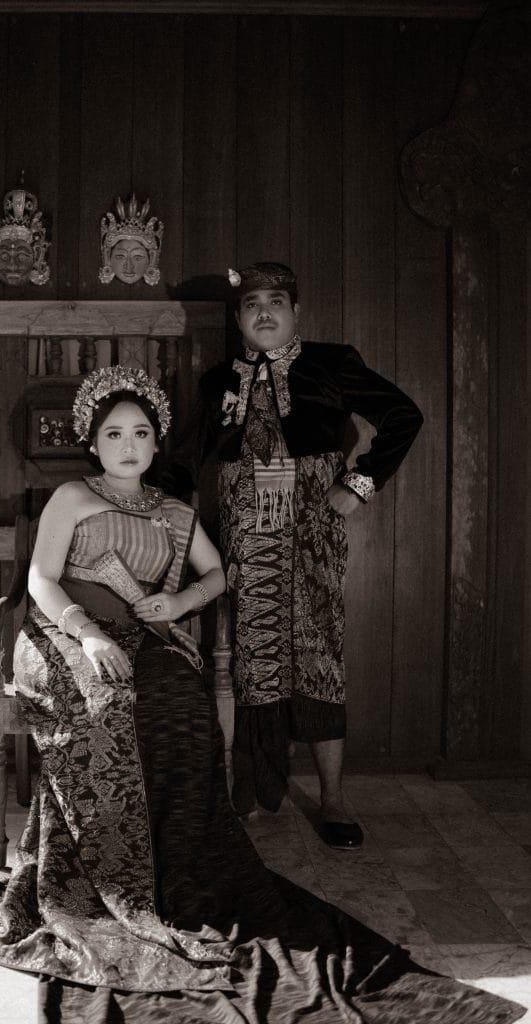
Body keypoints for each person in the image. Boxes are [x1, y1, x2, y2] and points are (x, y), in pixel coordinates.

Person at [0, 366, 522, 1024]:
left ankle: (173, 863)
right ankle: (104, 873)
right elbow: (40, 580)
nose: (128, 445)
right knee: (103, 703)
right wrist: (88, 635)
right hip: (62, 634)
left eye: (141, 433)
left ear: (156, 443)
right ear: (93, 443)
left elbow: (217, 574)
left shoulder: (175, 512)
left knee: (184, 709)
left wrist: (179, 601)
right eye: (114, 434)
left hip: (142, 635)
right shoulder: (70, 497)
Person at [162, 262, 425, 849]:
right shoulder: (217, 382)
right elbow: (184, 460)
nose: (263, 312)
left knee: (318, 655)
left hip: (312, 533)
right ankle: (252, 788)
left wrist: (358, 484)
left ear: (295, 311)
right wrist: (143, 507)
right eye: (251, 303)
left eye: (275, 301)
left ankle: (333, 799)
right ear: (238, 318)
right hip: (245, 537)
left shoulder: (332, 364)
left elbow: (404, 416)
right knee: (252, 659)